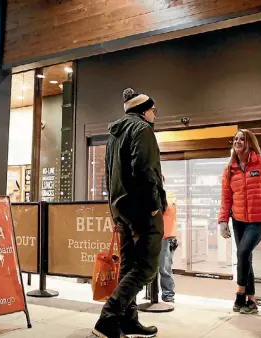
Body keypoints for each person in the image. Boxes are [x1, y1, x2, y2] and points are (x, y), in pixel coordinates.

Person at [94, 88, 167, 338]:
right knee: (146, 267)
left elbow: (109, 175)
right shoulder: (142, 129)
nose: (155, 115)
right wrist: (154, 204)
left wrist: (113, 208)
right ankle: (108, 317)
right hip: (142, 210)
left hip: (121, 209)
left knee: (129, 265)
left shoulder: (115, 134)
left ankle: (128, 320)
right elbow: (145, 170)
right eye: (153, 110)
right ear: (143, 111)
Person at [218, 129, 261, 315]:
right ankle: (252, 301)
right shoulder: (230, 169)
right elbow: (226, 197)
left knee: (243, 251)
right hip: (239, 219)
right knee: (244, 256)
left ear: (250, 143)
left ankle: (240, 293)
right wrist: (223, 220)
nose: (238, 141)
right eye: (236, 139)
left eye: (242, 139)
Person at [159, 177, 177, 303]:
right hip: (167, 237)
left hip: (165, 238)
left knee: (164, 268)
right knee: (163, 267)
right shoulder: (167, 197)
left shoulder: (164, 198)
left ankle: (168, 295)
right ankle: (163, 294)